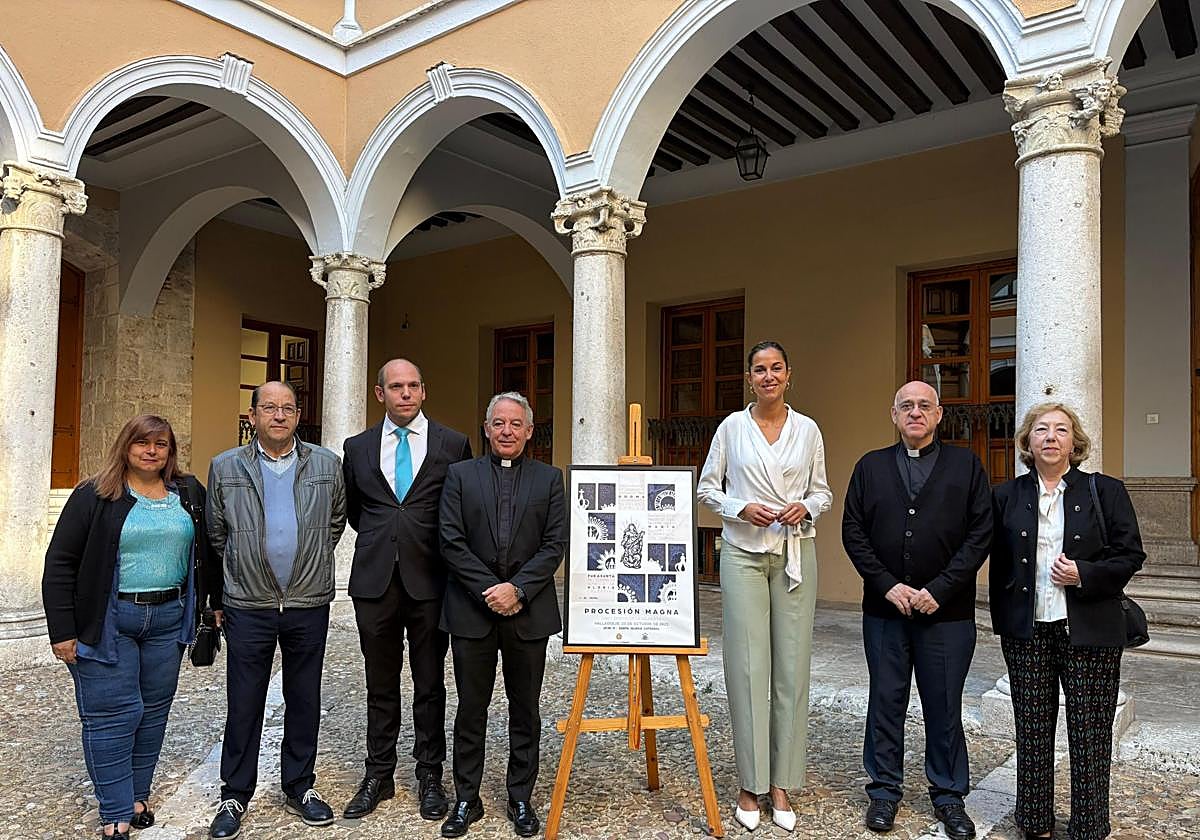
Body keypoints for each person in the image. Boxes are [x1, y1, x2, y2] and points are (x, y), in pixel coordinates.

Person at [42, 414, 218, 840]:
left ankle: (138, 795)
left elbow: (209, 553)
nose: (151, 451)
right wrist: (62, 631)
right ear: (126, 445)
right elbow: (60, 562)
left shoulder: (188, 492)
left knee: (154, 711)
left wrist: (210, 607)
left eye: (161, 444)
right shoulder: (95, 494)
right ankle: (116, 810)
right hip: (109, 620)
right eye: (142, 443)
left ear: (171, 451)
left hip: (169, 619)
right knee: (112, 715)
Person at [842, 381, 992, 840]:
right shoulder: (869, 467)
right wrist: (888, 586)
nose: (915, 412)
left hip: (947, 615)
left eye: (924, 405)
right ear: (893, 415)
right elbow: (853, 532)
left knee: (943, 706)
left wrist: (939, 589)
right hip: (885, 612)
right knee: (886, 702)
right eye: (906, 405)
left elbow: (980, 534)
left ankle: (949, 797)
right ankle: (884, 791)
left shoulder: (966, 466)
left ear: (939, 414)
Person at [990, 403, 1145, 840]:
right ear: (1027, 442)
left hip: (1090, 631)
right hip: (1027, 631)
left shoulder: (1105, 490)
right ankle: (1035, 823)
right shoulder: (1006, 496)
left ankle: (1089, 827)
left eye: (1061, 430)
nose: (1051, 437)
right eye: (1041, 430)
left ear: (1075, 443)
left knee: (1091, 736)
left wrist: (1085, 574)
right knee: (1033, 732)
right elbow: (985, 556)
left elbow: (1131, 554)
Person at [696, 340, 832, 833]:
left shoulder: (808, 429)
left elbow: (823, 491)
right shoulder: (732, 428)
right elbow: (707, 487)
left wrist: (807, 507)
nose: (768, 376)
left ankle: (782, 782)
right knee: (748, 667)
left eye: (776, 368)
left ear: (789, 375)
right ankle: (750, 783)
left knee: (792, 667)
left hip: (796, 553)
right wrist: (740, 507)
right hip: (743, 553)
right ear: (749, 378)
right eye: (759, 369)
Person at [205, 381, 346, 839]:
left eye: (288, 408)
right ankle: (234, 793)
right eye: (269, 408)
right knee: (244, 700)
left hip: (307, 601)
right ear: (253, 416)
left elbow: (334, 522)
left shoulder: (326, 464)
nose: (279, 416)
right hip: (249, 602)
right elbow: (217, 533)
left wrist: (310, 559)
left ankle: (300, 785)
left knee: (303, 697)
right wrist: (245, 569)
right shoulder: (225, 467)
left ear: (298, 416)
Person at [340, 358, 472, 821]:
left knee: (430, 683)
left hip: (431, 581)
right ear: (381, 394)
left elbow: (460, 508)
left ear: (424, 390)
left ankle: (430, 775)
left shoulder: (453, 444)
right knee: (379, 683)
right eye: (396, 387)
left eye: (414, 385)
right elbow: (358, 511)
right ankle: (379, 773)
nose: (406, 394)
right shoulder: (355, 448)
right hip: (375, 581)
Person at [437, 392, 567, 838]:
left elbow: (555, 544)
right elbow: (451, 540)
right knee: (471, 708)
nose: (507, 431)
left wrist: (519, 590)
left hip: (527, 613)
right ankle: (466, 798)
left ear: (530, 431)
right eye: (498, 423)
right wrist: (490, 591)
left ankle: (520, 797)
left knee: (525, 708)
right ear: (486, 429)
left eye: (516, 424)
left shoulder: (550, 479)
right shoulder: (459, 476)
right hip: (473, 611)